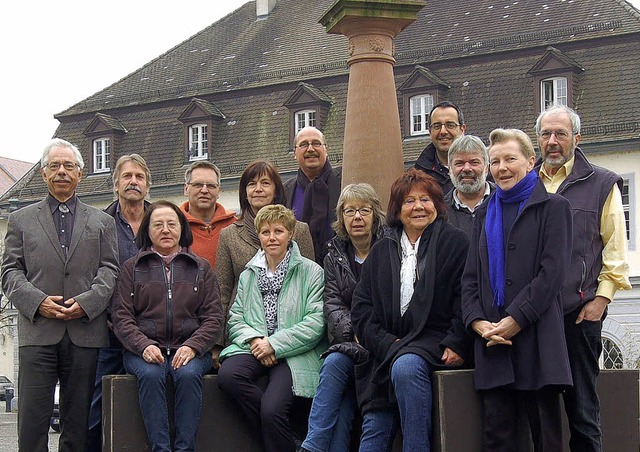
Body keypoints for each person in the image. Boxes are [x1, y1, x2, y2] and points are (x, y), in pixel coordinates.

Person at [1, 138, 119, 451]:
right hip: (38, 332)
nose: (62, 172)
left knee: (78, 425)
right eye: (55, 166)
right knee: (32, 424)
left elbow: (110, 271)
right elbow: (10, 273)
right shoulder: (20, 221)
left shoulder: (103, 222)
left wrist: (87, 302)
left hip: (85, 333)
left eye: (69, 166)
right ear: (43, 173)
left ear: (80, 174)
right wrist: (37, 301)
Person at [462, 128, 573, 451]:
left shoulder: (554, 207)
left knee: (545, 439)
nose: (502, 168)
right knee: (497, 438)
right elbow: (471, 278)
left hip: (537, 341)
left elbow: (552, 274)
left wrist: (516, 318)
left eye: (510, 159)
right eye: (494, 161)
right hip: (494, 345)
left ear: (530, 161)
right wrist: (477, 322)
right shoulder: (483, 214)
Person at [351, 168, 470, 452]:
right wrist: (384, 342)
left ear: (437, 205)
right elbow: (362, 309)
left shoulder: (456, 242)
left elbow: (466, 298)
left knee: (405, 367)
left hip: (435, 340)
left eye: (425, 200)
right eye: (409, 201)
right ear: (397, 209)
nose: (418, 207)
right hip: (388, 346)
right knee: (374, 423)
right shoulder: (382, 248)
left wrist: (457, 341)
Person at [535, 105, 631, 452]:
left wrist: (601, 300)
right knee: (541, 414)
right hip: (535, 317)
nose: (552, 141)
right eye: (546, 134)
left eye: (560, 133)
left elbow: (615, 248)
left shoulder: (602, 183)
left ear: (577, 137)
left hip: (579, 314)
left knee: (583, 411)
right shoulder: (527, 182)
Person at [112, 201, 223, 452]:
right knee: (151, 374)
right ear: (147, 230)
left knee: (187, 373)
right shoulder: (132, 268)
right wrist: (144, 346)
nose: (165, 230)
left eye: (171, 224)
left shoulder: (201, 267)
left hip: (191, 349)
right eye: (158, 224)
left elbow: (214, 317)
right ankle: (160, 448)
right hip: (144, 350)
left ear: (181, 228)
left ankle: (185, 448)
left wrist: (193, 347)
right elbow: (121, 317)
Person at [217, 205, 326, 452]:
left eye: (279, 231)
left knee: (271, 409)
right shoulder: (249, 274)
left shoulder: (311, 272)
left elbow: (315, 322)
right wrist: (256, 340)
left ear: (290, 234)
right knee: (228, 376)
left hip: (296, 352)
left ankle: (278, 427)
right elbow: (235, 318)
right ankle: (289, 438)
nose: (272, 237)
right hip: (255, 346)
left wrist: (274, 344)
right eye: (265, 232)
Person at [300, 183, 386, 452]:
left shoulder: (390, 248)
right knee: (335, 362)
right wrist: (357, 332)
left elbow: (394, 302)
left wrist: (370, 333)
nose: (357, 217)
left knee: (351, 395)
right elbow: (333, 305)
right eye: (349, 211)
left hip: (384, 343)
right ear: (342, 218)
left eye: (364, 210)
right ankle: (312, 446)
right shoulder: (334, 254)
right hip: (350, 341)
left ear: (375, 214)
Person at [215, 159, 315, 368]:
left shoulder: (300, 230)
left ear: (277, 190)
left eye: (265, 183)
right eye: (252, 184)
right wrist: (218, 342)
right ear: (244, 192)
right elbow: (222, 291)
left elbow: (308, 284)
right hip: (245, 333)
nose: (258, 189)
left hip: (290, 333)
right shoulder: (229, 235)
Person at [86, 153, 152, 452]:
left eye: (139, 177)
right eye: (127, 176)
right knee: (97, 405)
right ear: (115, 185)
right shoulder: (98, 224)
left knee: (150, 402)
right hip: (108, 330)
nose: (133, 182)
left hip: (154, 330)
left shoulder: (162, 219)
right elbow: (90, 275)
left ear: (147, 185)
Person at [284, 126, 342, 264]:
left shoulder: (345, 181)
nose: (310, 149)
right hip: (300, 273)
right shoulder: (285, 191)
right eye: (303, 144)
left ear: (326, 149)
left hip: (341, 272)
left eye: (316, 143)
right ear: (295, 153)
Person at [180, 160, 236, 267]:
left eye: (211, 185)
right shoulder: (174, 227)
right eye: (198, 185)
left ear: (218, 191)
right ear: (186, 189)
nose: (204, 190)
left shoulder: (235, 226)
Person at [445, 135, 494, 238]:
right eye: (459, 163)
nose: (467, 168)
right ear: (450, 170)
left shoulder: (504, 200)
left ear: (486, 168)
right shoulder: (440, 210)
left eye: (474, 162)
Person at [415, 101, 467, 194]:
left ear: (462, 129)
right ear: (430, 131)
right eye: (437, 126)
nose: (443, 131)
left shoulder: (484, 171)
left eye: (450, 125)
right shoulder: (418, 176)